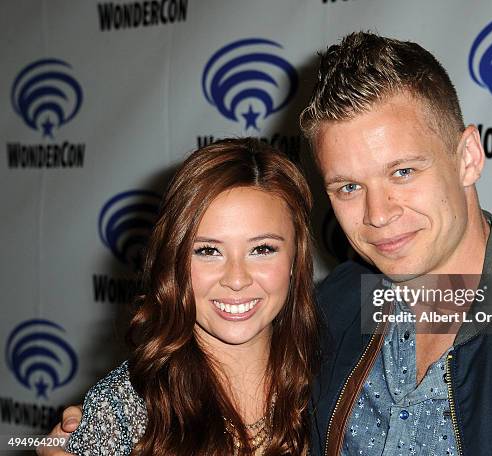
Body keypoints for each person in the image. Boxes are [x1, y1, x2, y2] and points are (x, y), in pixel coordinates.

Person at [41, 32, 492, 456]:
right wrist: (105, 426)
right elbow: (213, 360)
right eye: (348, 186)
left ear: (467, 156)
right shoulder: (339, 306)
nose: (379, 213)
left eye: (404, 172)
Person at [48, 138, 319, 455]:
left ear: (294, 259)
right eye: (208, 250)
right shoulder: (127, 406)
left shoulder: (332, 376)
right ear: (174, 261)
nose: (236, 279)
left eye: (262, 249)